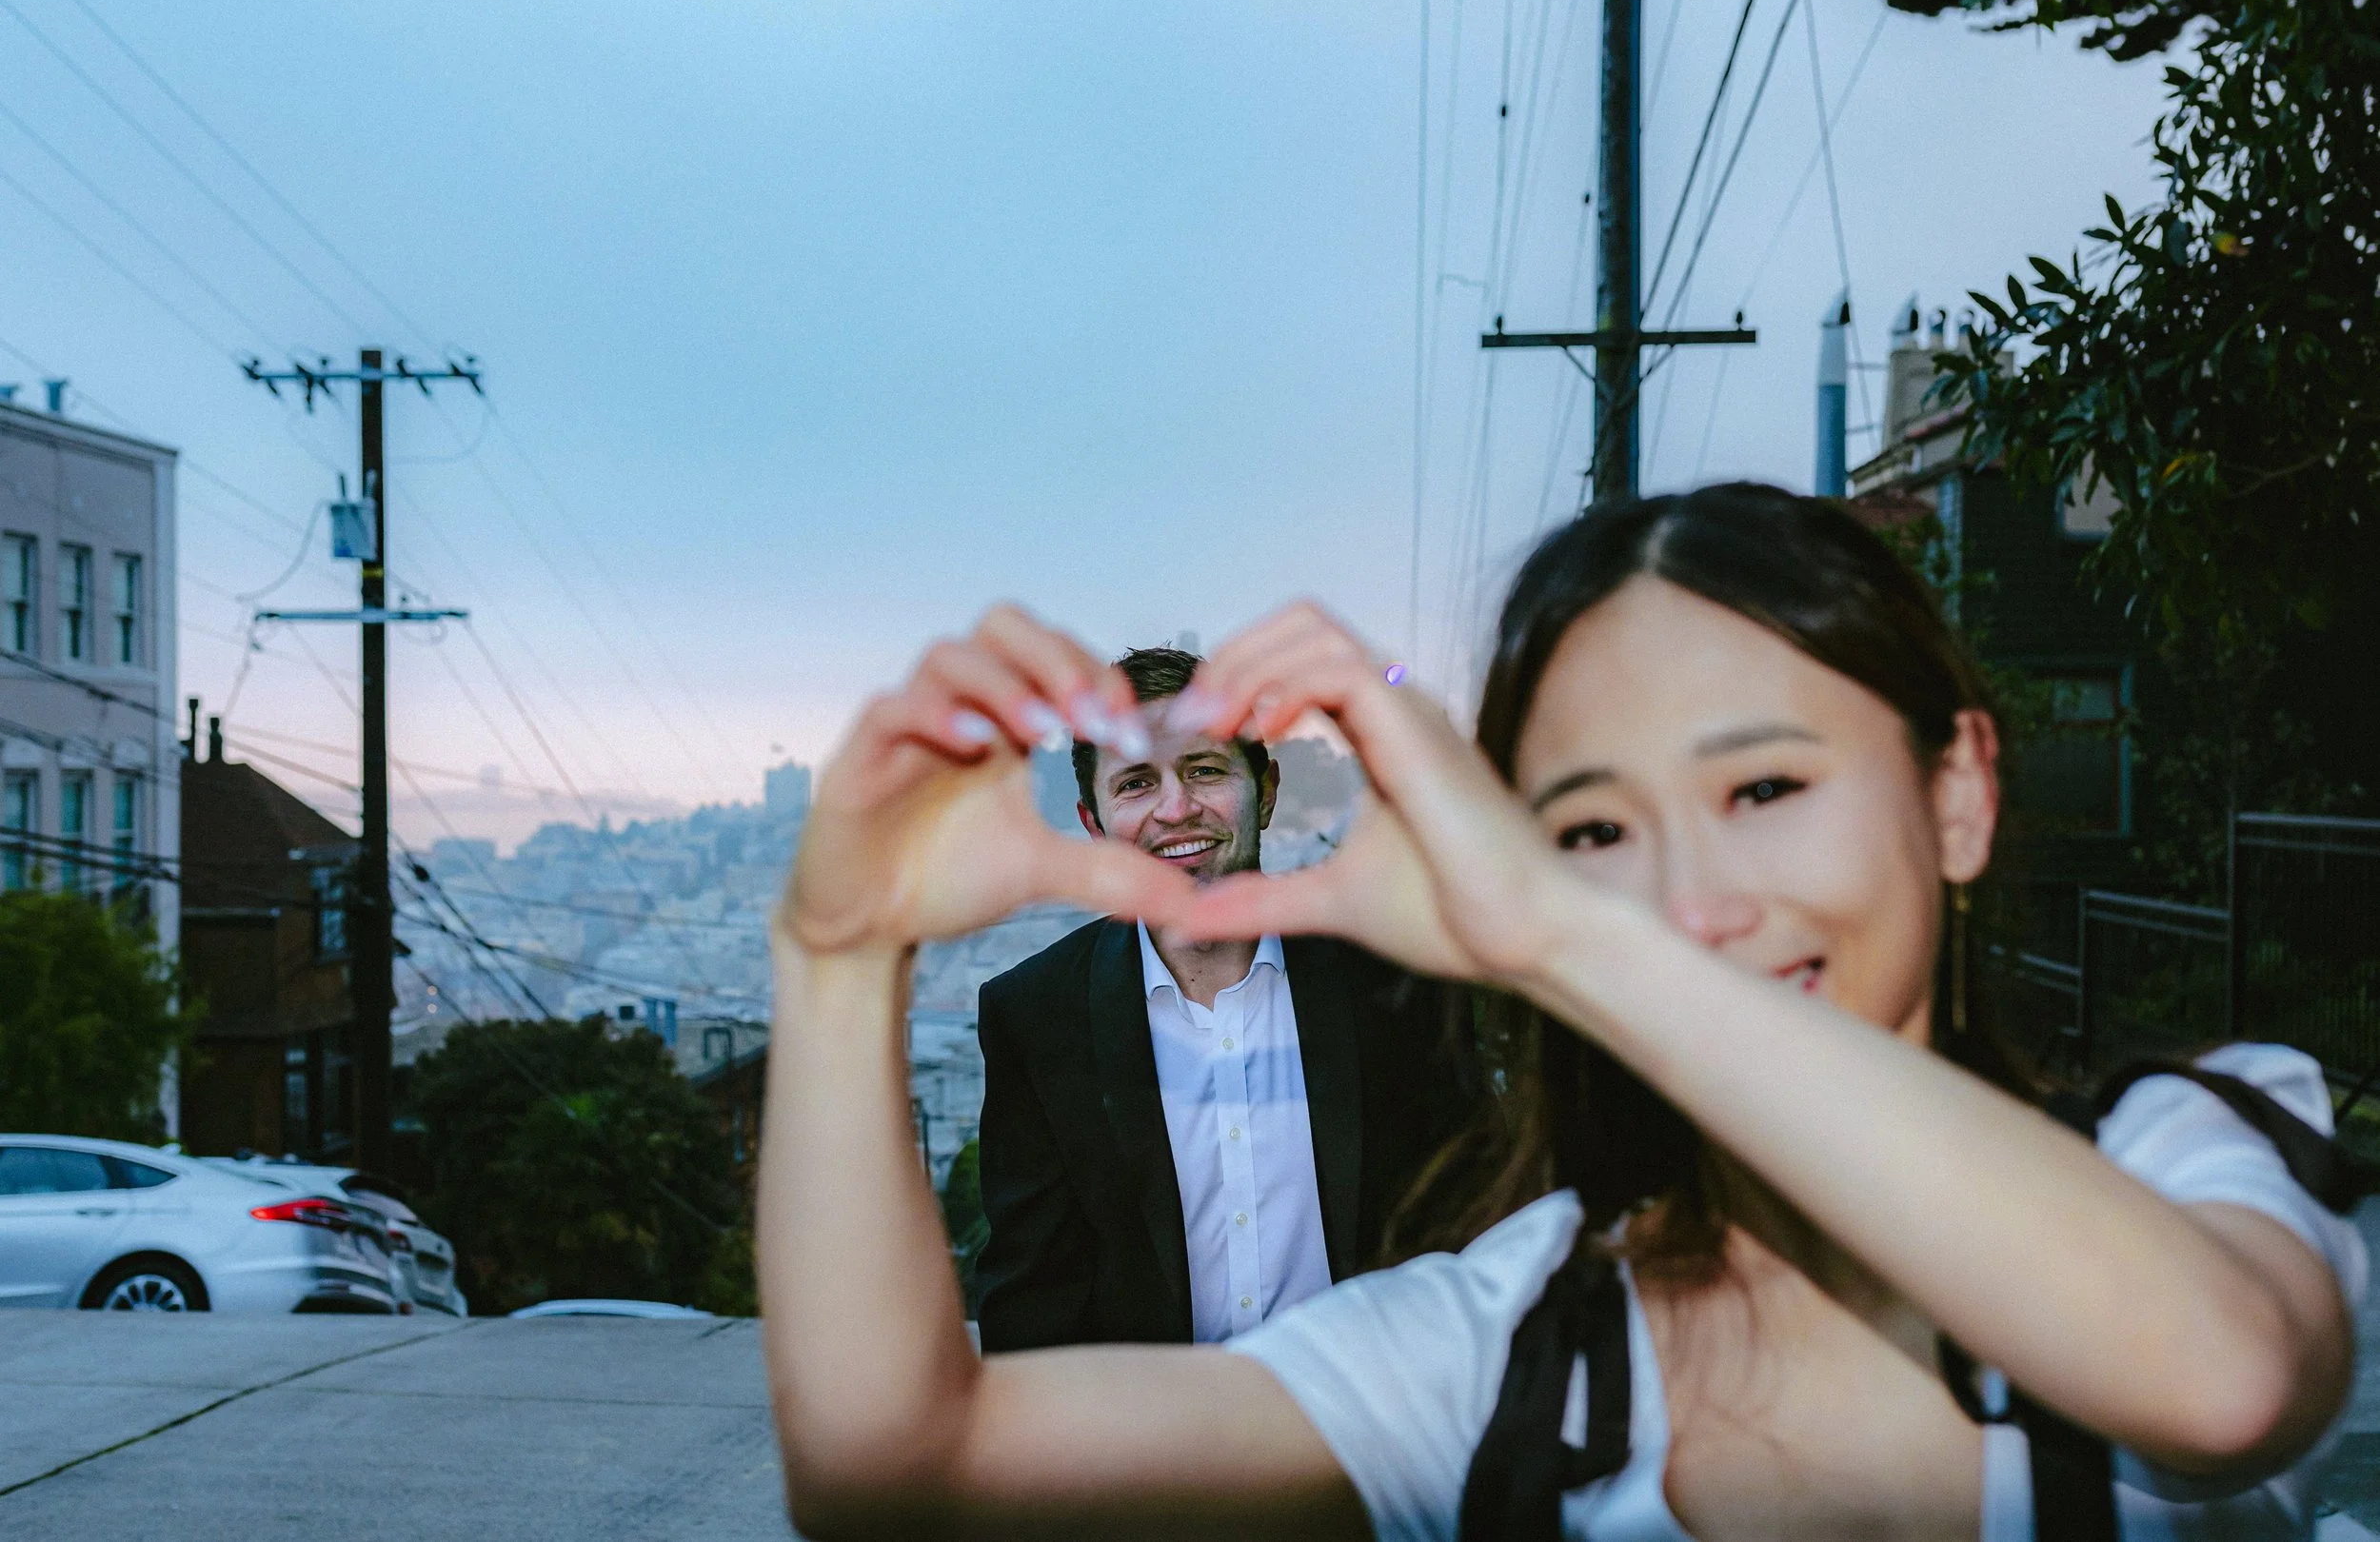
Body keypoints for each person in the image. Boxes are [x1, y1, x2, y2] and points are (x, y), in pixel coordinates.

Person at [759, 484, 2362, 1541]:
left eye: (1765, 787)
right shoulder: (1514, 1337)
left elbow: (2217, 1380)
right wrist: (838, 958)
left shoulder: (2190, 1146)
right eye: (1594, 827)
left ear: (1959, 794)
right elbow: (898, 1463)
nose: (1691, 899)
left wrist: (1557, 922)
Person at [972, 645, 1475, 1352]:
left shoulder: (1393, 979)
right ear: (1095, 826)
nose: (1177, 809)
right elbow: (1032, 1300)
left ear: (1265, 790)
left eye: (1205, 770)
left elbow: (1469, 1224)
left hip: (1375, 1406)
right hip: (1156, 1419)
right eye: (1137, 784)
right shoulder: (1036, 1015)